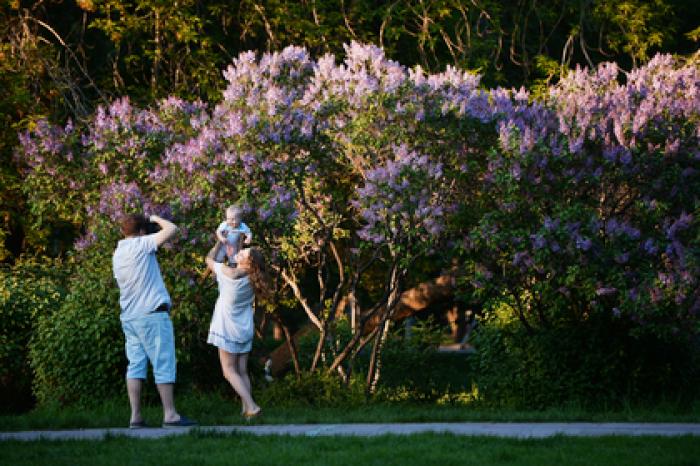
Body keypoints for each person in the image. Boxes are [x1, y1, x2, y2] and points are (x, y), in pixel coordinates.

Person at [112, 213, 197, 429]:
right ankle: (170, 415)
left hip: (130, 317)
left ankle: (135, 417)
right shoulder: (141, 244)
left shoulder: (118, 253)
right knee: (163, 362)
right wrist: (156, 218)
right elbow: (172, 229)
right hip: (152, 314)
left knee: (135, 365)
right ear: (141, 231)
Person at [205, 245, 270, 419]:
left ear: (248, 263)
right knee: (241, 371)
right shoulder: (253, 278)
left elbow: (209, 260)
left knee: (228, 371)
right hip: (244, 327)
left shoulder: (229, 275)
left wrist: (219, 242)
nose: (239, 252)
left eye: (243, 253)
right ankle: (246, 411)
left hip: (227, 327)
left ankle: (252, 406)